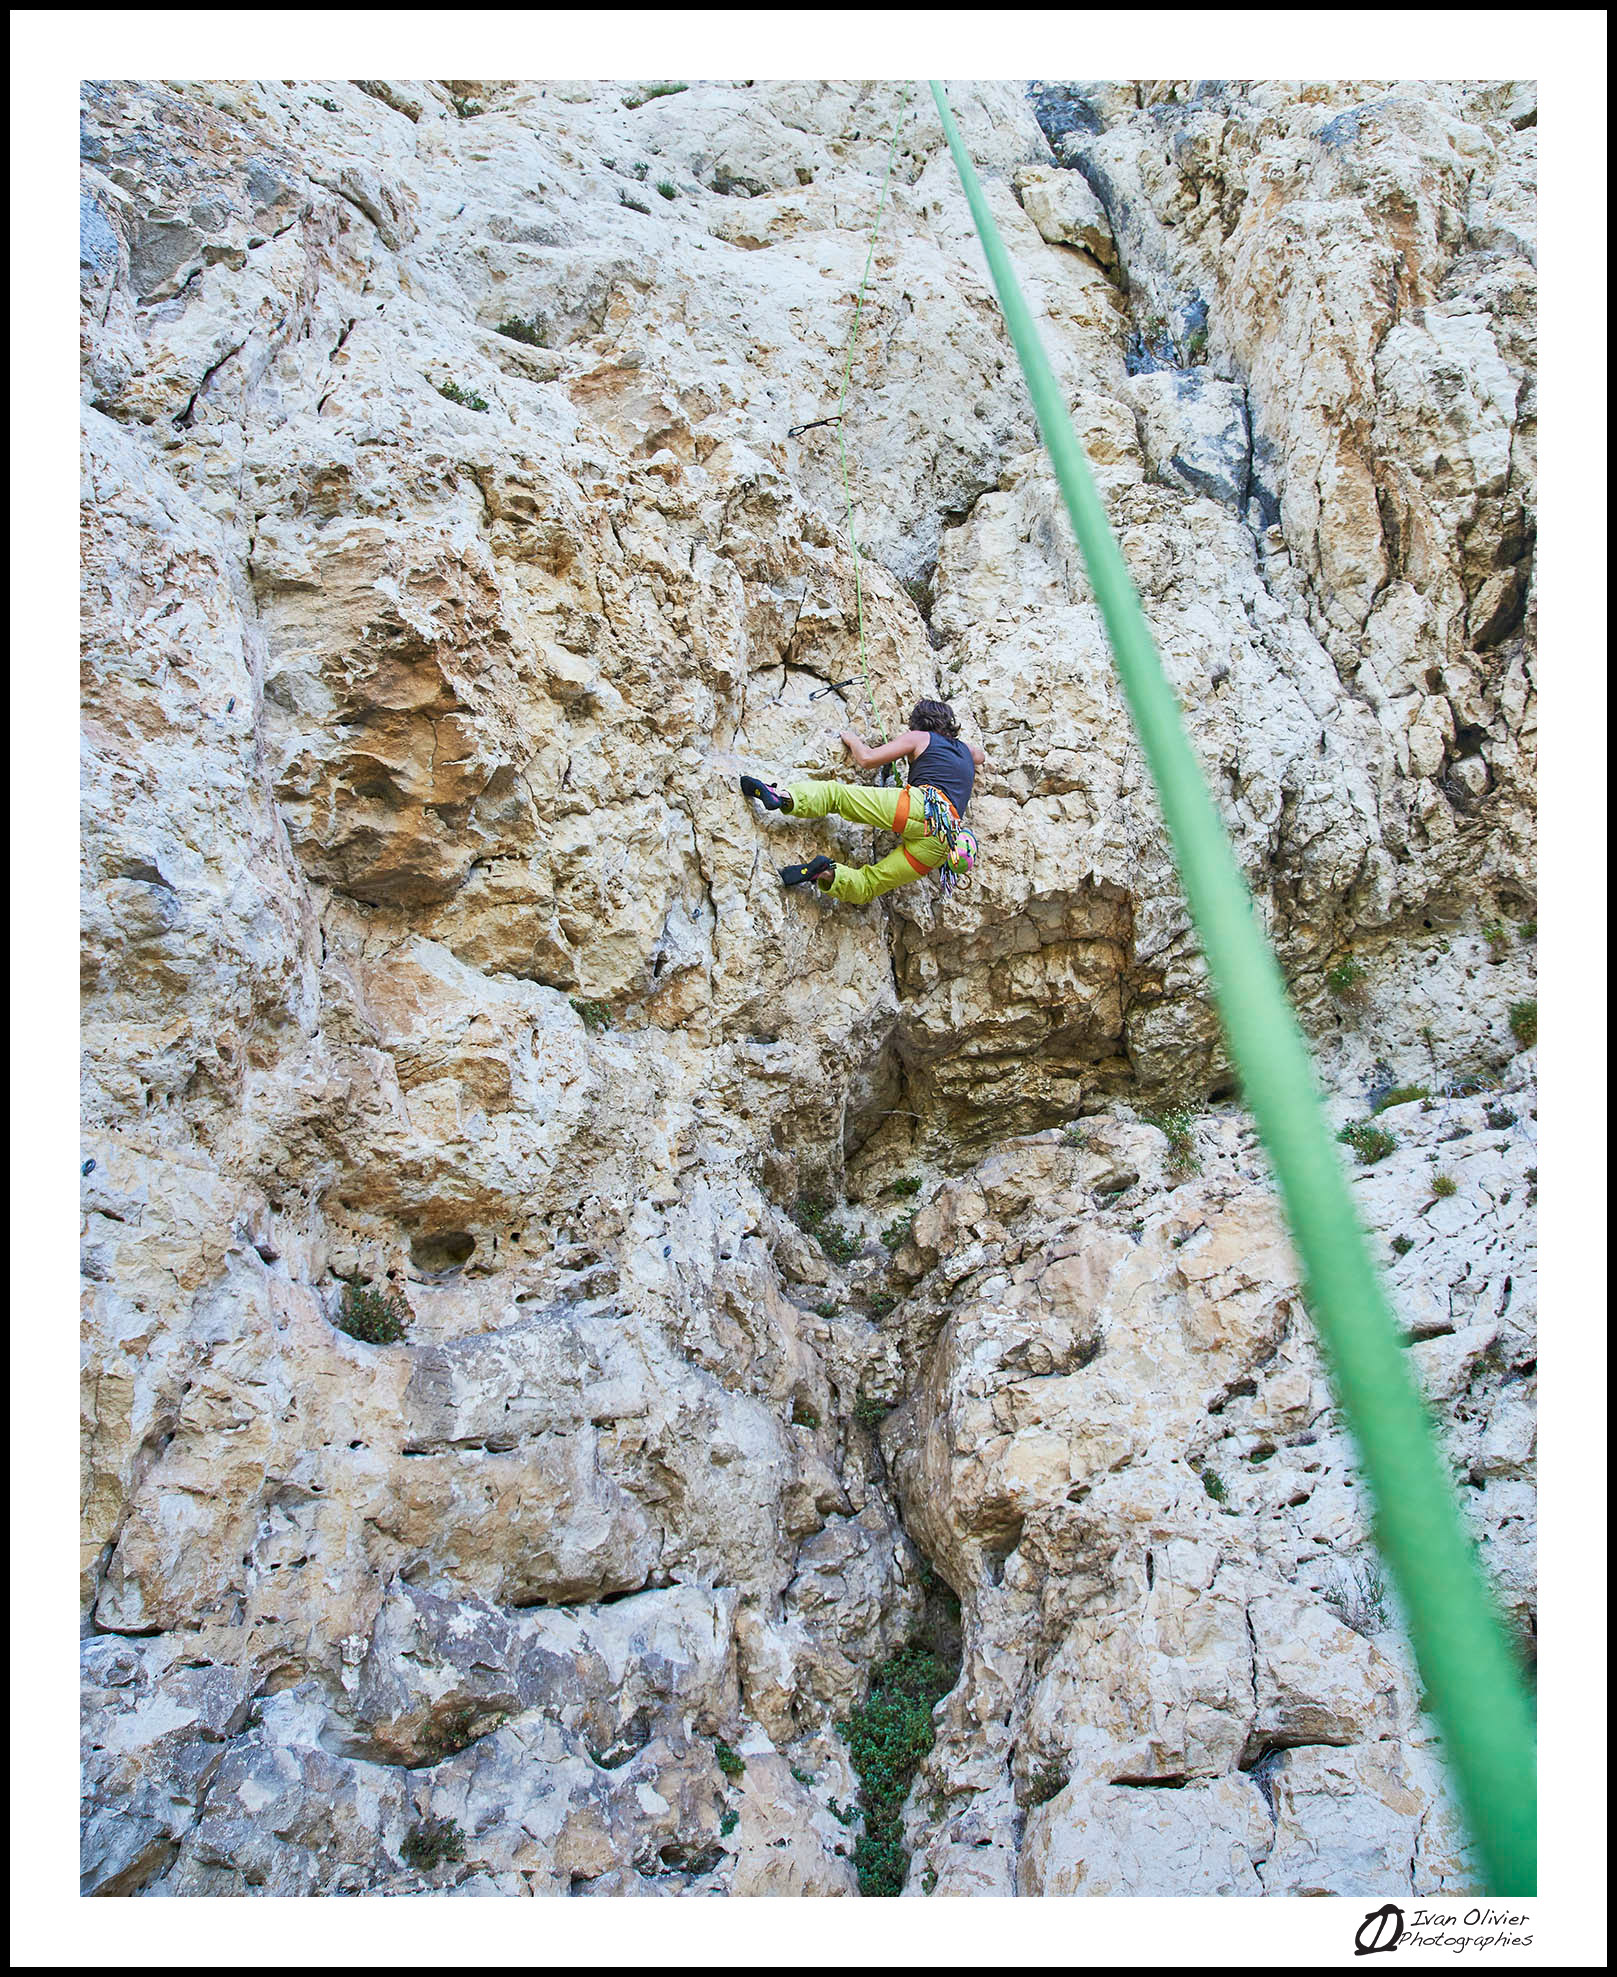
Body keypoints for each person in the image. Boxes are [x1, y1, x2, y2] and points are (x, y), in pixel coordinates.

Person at [741, 699, 985, 904]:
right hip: (941, 843)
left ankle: (781, 797)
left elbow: (867, 759)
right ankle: (825, 874)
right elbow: (980, 756)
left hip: (920, 807)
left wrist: (852, 740)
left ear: (919, 723)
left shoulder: (920, 737)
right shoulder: (966, 750)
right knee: (871, 885)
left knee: (836, 797)